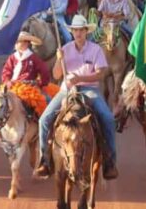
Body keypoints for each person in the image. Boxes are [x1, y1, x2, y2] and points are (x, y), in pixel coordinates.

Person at [34, 15, 119, 180]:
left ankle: (110, 161)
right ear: (71, 32)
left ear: (86, 31)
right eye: (75, 30)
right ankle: (45, 160)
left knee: (108, 118)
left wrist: (80, 79)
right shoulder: (65, 49)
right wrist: (59, 60)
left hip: (89, 90)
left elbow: (101, 74)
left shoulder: (95, 49)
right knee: (43, 120)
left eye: (81, 30)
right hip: (66, 89)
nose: (78, 33)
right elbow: (56, 74)